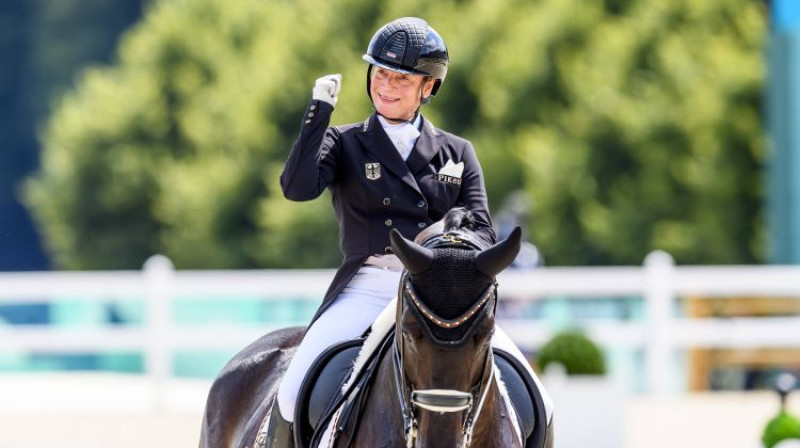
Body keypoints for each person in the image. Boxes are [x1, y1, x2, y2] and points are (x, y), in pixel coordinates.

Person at [263, 16, 552, 447]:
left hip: (443, 293)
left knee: (537, 397)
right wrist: (318, 113)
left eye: (401, 77)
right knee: (293, 388)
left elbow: (483, 230)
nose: (386, 85)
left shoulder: (457, 152)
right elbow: (297, 187)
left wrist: (440, 240)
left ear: (428, 87)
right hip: (367, 287)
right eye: (380, 73)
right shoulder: (346, 143)